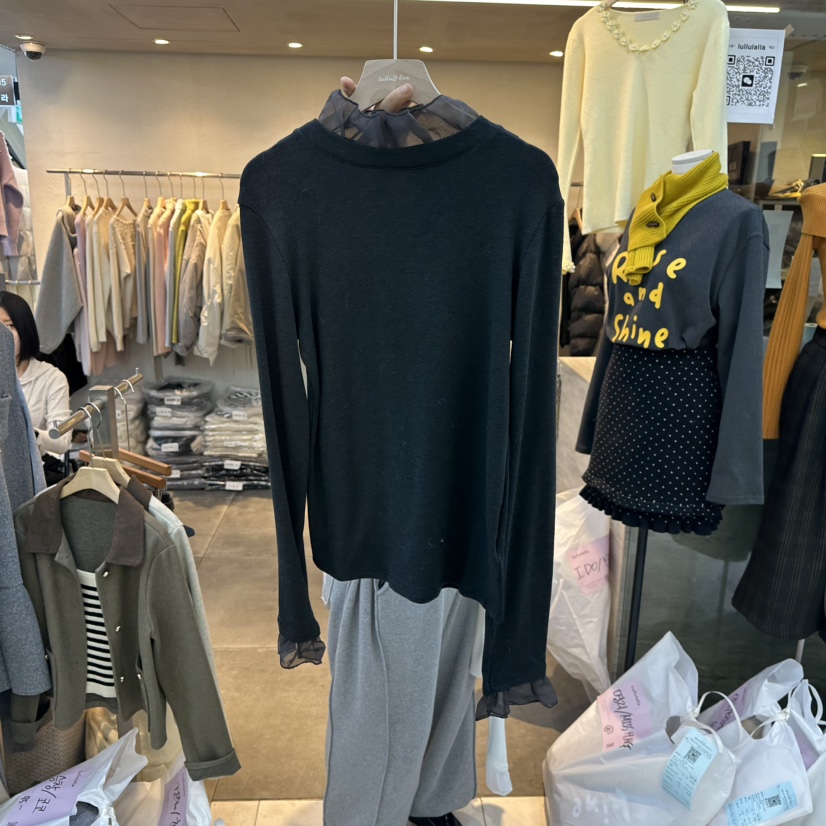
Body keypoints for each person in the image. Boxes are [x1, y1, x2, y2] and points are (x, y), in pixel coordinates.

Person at [0, 292, 73, 465]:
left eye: (10, 326)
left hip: (29, 469)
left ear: (25, 329)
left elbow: (62, 441)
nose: (3, 335)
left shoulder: (51, 378)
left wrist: (29, 433)